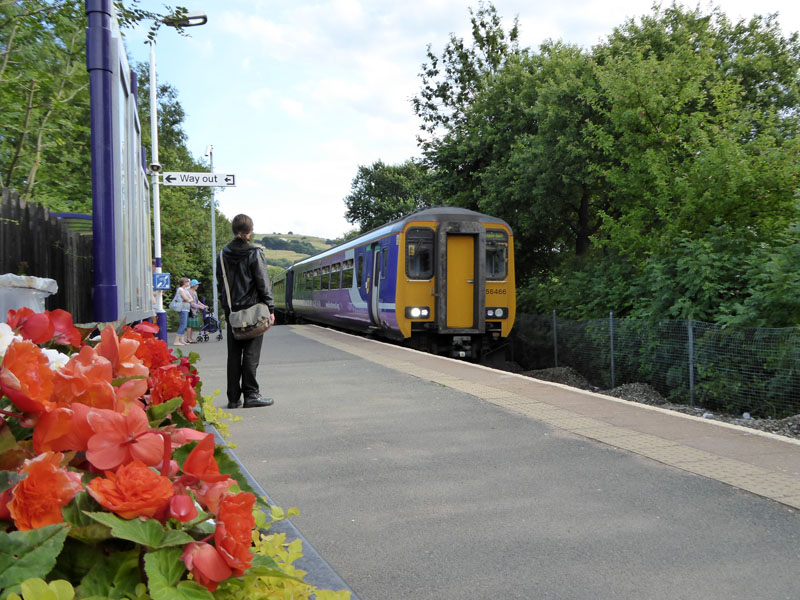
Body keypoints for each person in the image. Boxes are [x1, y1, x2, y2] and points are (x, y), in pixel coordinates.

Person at [216, 214, 275, 409]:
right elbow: (263, 283)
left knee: (233, 356)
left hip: (234, 314)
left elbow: (220, 285)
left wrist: (227, 308)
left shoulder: (222, 254)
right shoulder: (254, 253)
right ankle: (251, 395)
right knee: (251, 354)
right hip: (254, 312)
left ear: (234, 230)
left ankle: (233, 398)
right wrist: (270, 308)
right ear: (250, 231)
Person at [185, 279, 207, 343]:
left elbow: (197, 301)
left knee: (192, 326)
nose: (198, 286)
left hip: (194, 311)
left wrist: (203, 305)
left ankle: (191, 338)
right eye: (197, 285)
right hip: (190, 311)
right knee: (189, 325)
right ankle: (188, 338)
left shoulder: (194, 292)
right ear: (193, 285)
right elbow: (191, 303)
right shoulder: (190, 292)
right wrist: (200, 307)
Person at [172, 277, 193, 346]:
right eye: (187, 282)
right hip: (182, 309)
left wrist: (188, 300)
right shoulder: (180, 289)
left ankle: (181, 339)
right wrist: (188, 300)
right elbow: (186, 298)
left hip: (186, 308)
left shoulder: (185, 290)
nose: (188, 283)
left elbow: (191, 299)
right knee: (183, 324)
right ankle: (176, 340)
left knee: (184, 324)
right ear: (184, 283)